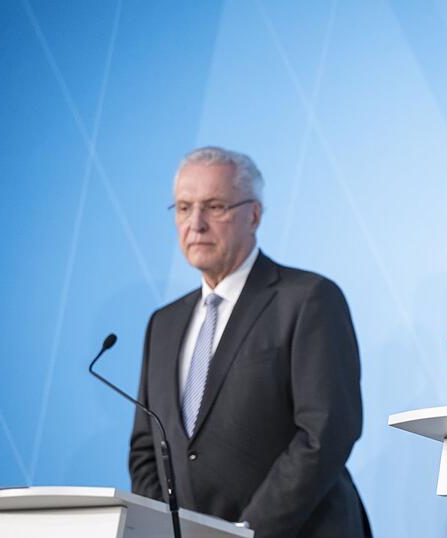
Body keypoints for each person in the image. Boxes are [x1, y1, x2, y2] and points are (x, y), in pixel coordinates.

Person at [130, 146, 370, 537]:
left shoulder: (308, 298)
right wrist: (170, 529)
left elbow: (324, 433)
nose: (196, 223)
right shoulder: (164, 323)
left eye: (215, 206)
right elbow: (146, 448)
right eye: (183, 207)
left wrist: (247, 532)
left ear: (254, 215)